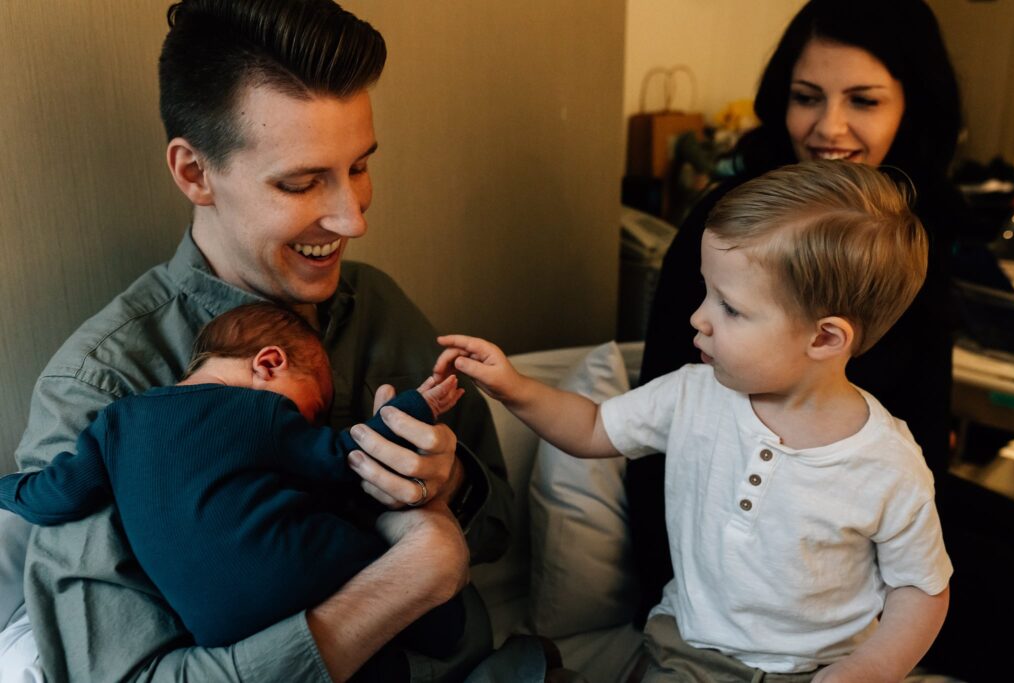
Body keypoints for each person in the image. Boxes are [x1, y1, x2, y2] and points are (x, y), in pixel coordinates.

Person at [11, 1, 513, 681]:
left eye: (359, 167)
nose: (351, 218)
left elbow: (502, 525)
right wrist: (403, 585)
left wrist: (448, 482)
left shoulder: (379, 306)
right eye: (302, 182)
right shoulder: (103, 387)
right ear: (194, 173)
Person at [436, 161, 952, 681]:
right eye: (706, 291)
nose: (697, 317)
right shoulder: (693, 393)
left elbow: (922, 588)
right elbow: (593, 428)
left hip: (823, 669)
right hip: (687, 652)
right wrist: (515, 388)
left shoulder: (888, 463)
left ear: (824, 338)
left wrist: (874, 666)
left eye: (729, 307)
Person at [630, 1, 1014, 677]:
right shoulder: (732, 228)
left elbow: (924, 448)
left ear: (911, 106)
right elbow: (659, 427)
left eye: (863, 101)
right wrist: (677, 596)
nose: (828, 127)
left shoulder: (912, 235)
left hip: (872, 509)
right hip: (768, 548)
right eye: (806, 98)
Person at [2, 303, 469, 667]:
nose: (314, 421)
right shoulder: (257, 411)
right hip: (288, 566)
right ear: (268, 365)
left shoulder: (115, 422)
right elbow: (344, 456)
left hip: (214, 627)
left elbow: (57, 494)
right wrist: (416, 406)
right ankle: (449, 632)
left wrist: (5, 486)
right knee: (404, 574)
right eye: (314, 408)